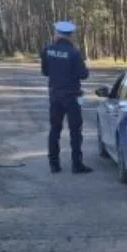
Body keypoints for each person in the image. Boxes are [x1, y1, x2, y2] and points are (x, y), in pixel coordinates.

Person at [41, 20, 92, 174]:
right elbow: (83, 75)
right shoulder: (74, 53)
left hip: (55, 96)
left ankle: (54, 164)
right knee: (75, 131)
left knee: (54, 130)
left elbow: (45, 72)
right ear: (70, 36)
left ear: (57, 33)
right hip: (72, 97)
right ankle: (77, 164)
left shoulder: (47, 50)